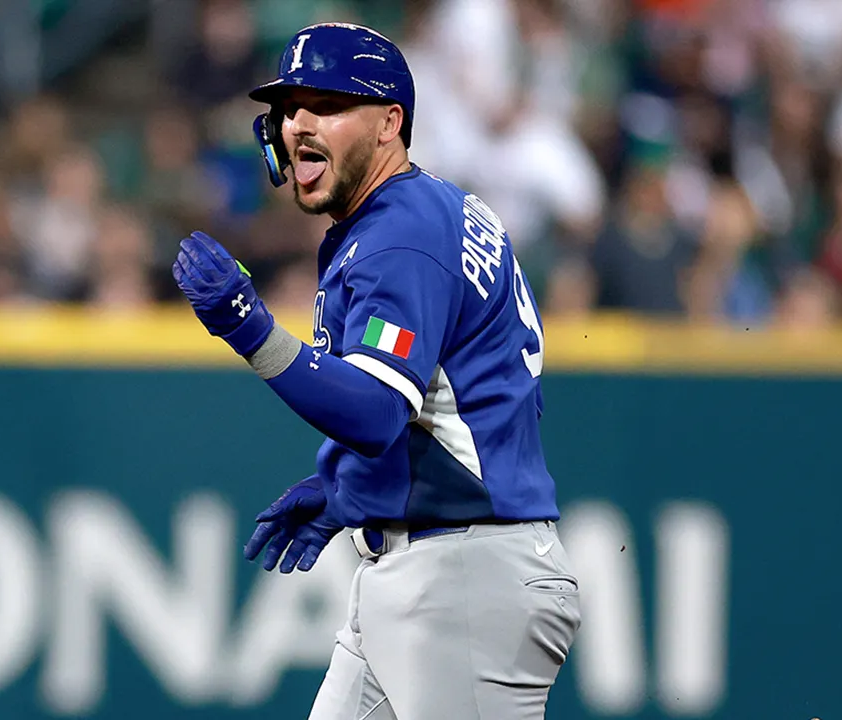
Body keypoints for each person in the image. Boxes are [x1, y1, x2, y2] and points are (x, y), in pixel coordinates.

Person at [172, 22, 581, 719]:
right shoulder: (421, 211)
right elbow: (450, 395)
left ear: (390, 122)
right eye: (290, 108)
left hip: (465, 577)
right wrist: (352, 490)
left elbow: (375, 411)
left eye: (328, 105)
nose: (299, 124)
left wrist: (249, 327)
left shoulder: (401, 235)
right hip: (438, 563)